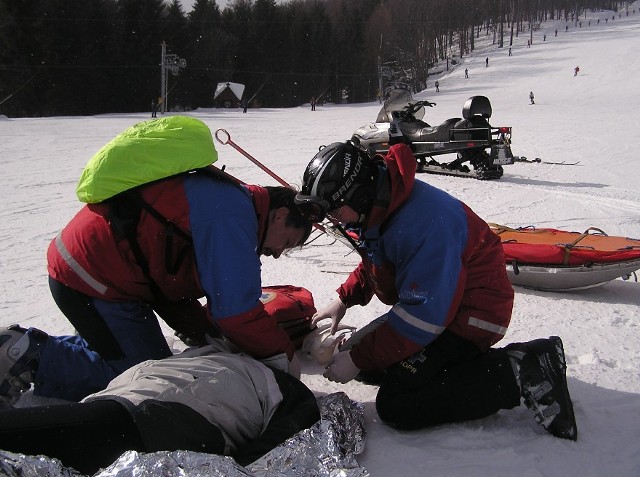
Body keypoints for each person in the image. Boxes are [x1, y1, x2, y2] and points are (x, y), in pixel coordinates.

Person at [293, 134, 577, 441]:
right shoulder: (382, 204)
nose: (334, 220)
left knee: (397, 403)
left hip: (471, 315)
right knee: (361, 358)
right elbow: (381, 257)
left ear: (360, 194)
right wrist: (345, 299)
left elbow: (425, 317)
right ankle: (436, 369)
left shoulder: (425, 223)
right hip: (436, 303)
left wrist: (359, 359)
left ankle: (522, 369)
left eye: (335, 210)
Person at [0, 127, 314, 405]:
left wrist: (202, 330)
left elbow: (172, 276)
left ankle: (42, 348)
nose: (275, 253)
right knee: (140, 378)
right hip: (91, 275)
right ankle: (26, 354)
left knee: (145, 361)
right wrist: (284, 357)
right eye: (286, 243)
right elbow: (236, 311)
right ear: (281, 215)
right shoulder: (234, 215)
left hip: (103, 271)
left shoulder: (232, 202)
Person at [0, 340, 320, 475]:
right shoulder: (287, 388)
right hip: (157, 417)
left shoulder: (199, 350)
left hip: (139, 407)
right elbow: (285, 442)